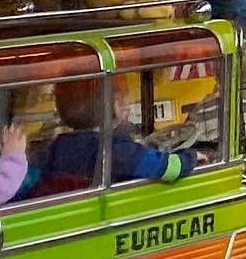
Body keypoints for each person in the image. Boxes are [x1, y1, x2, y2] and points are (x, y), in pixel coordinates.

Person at [39, 78, 187, 196]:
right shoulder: (119, 150)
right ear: (116, 106)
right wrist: (192, 156)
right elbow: (168, 168)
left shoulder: (56, 147)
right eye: (123, 99)